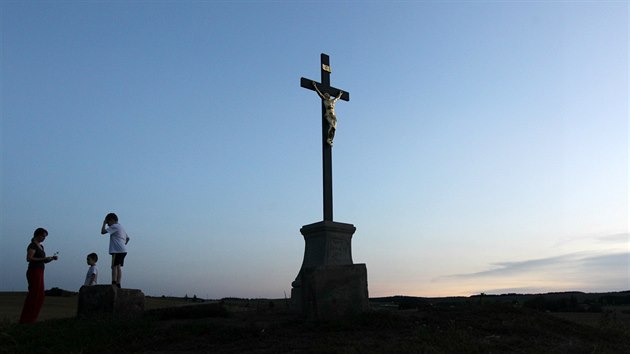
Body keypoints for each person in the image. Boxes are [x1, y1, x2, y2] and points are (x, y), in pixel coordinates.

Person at [19, 227, 58, 323]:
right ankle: (26, 319)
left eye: (45, 237)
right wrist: (44, 259)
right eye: (43, 236)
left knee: (40, 295)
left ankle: (32, 318)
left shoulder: (41, 247)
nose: (44, 238)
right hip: (34, 271)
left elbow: (43, 261)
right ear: (37, 235)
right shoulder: (32, 245)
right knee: (34, 295)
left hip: (40, 271)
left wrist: (51, 259)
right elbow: (29, 258)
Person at [100, 213, 129, 288]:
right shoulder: (121, 227)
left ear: (112, 220)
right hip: (123, 250)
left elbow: (102, 232)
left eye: (108, 222)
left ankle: (114, 283)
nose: (108, 225)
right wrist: (123, 243)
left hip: (117, 250)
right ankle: (118, 284)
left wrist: (103, 223)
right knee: (118, 266)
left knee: (113, 266)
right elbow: (128, 238)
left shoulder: (114, 226)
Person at [313, 81, 343, 146]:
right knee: (331, 126)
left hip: (333, 116)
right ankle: (328, 140)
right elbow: (319, 94)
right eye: (325, 94)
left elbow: (337, 98)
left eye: (328, 94)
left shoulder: (333, 101)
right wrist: (315, 86)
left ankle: (331, 139)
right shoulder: (325, 100)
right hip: (328, 115)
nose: (327, 95)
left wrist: (340, 94)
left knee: (334, 128)